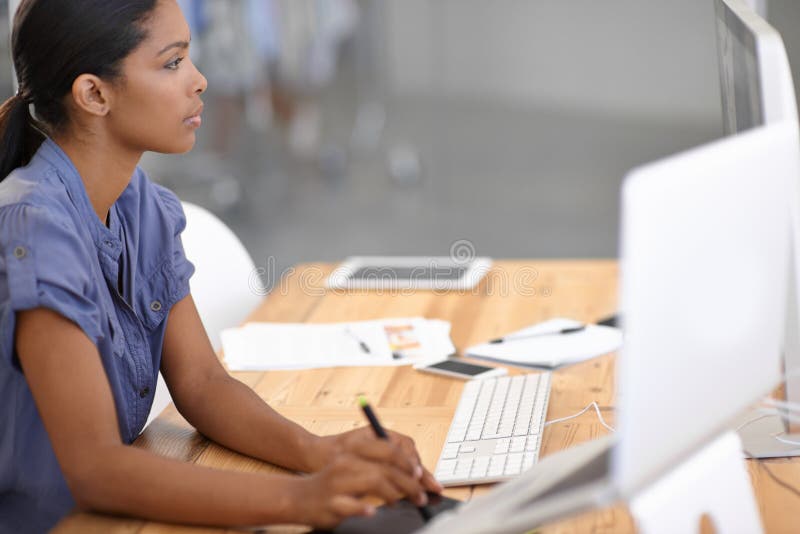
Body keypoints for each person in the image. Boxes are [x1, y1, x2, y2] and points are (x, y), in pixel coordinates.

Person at [0, 1, 441, 532]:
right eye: (171, 63)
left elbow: (202, 382)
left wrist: (322, 453)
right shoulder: (35, 225)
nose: (200, 81)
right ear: (94, 93)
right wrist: (301, 500)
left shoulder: (139, 204)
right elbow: (96, 469)